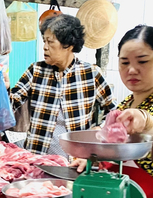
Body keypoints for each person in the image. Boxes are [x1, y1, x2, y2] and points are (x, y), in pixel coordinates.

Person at [73, 25, 153, 198]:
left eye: (142, 61)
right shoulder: (126, 104)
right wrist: (96, 157)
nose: (132, 70)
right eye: (124, 63)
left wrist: (147, 121)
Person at [10, 14, 115, 156]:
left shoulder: (91, 73)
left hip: (76, 160)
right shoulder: (35, 71)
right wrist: (3, 89)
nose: (45, 47)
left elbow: (114, 112)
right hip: (37, 158)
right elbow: (12, 103)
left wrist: (100, 129)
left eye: (50, 42)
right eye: (44, 41)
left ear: (69, 45)